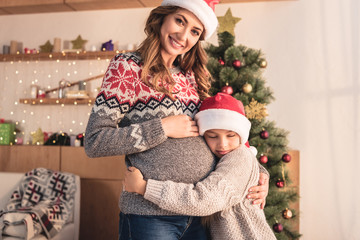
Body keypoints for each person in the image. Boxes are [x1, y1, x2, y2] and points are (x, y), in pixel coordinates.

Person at [84, 0, 269, 239]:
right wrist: (162, 127)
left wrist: (258, 174)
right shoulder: (127, 67)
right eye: (180, 21)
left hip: (201, 218)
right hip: (149, 216)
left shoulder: (193, 75)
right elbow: (95, 141)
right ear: (163, 18)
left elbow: (220, 134)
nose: (183, 35)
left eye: (195, 31)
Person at [123, 93, 276, 240]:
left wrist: (144, 187)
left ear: (242, 135)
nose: (222, 144)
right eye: (212, 136)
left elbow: (205, 200)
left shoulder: (239, 157)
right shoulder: (225, 156)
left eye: (230, 135)